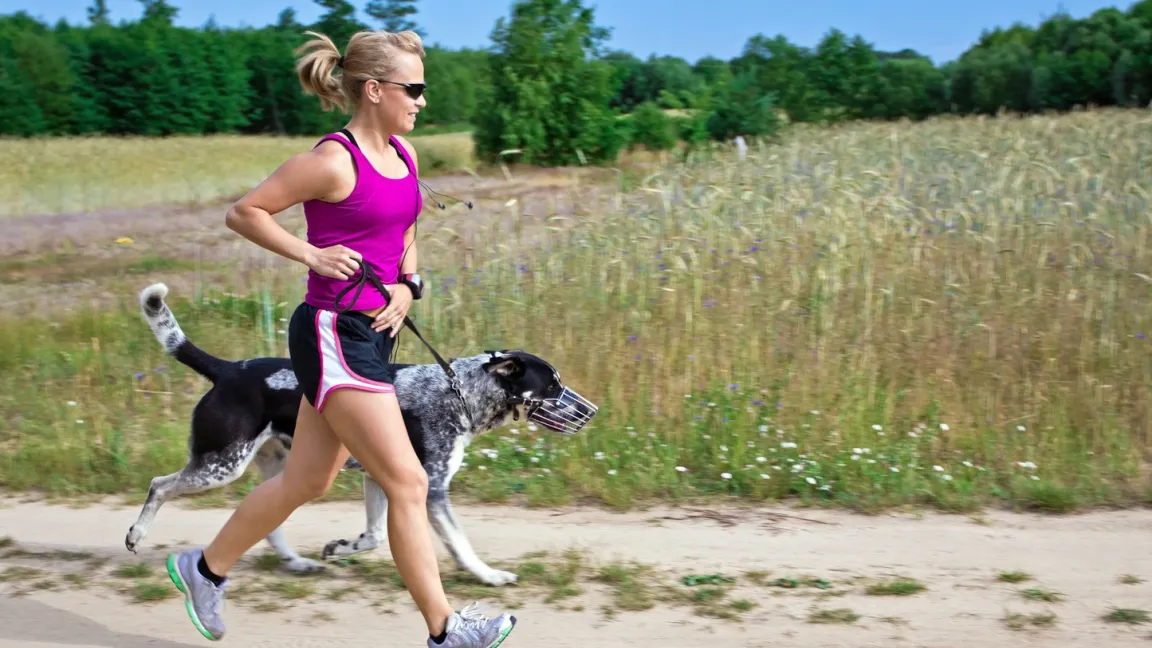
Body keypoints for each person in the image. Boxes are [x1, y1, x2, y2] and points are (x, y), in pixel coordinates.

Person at [163, 29, 517, 648]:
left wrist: (409, 284)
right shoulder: (332, 161)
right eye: (415, 89)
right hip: (331, 334)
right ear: (375, 90)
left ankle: (204, 568)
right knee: (407, 482)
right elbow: (245, 212)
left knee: (307, 481)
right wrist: (311, 255)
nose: (422, 101)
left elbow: (403, 229)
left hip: (374, 335)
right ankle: (446, 630)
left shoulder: (403, 157)